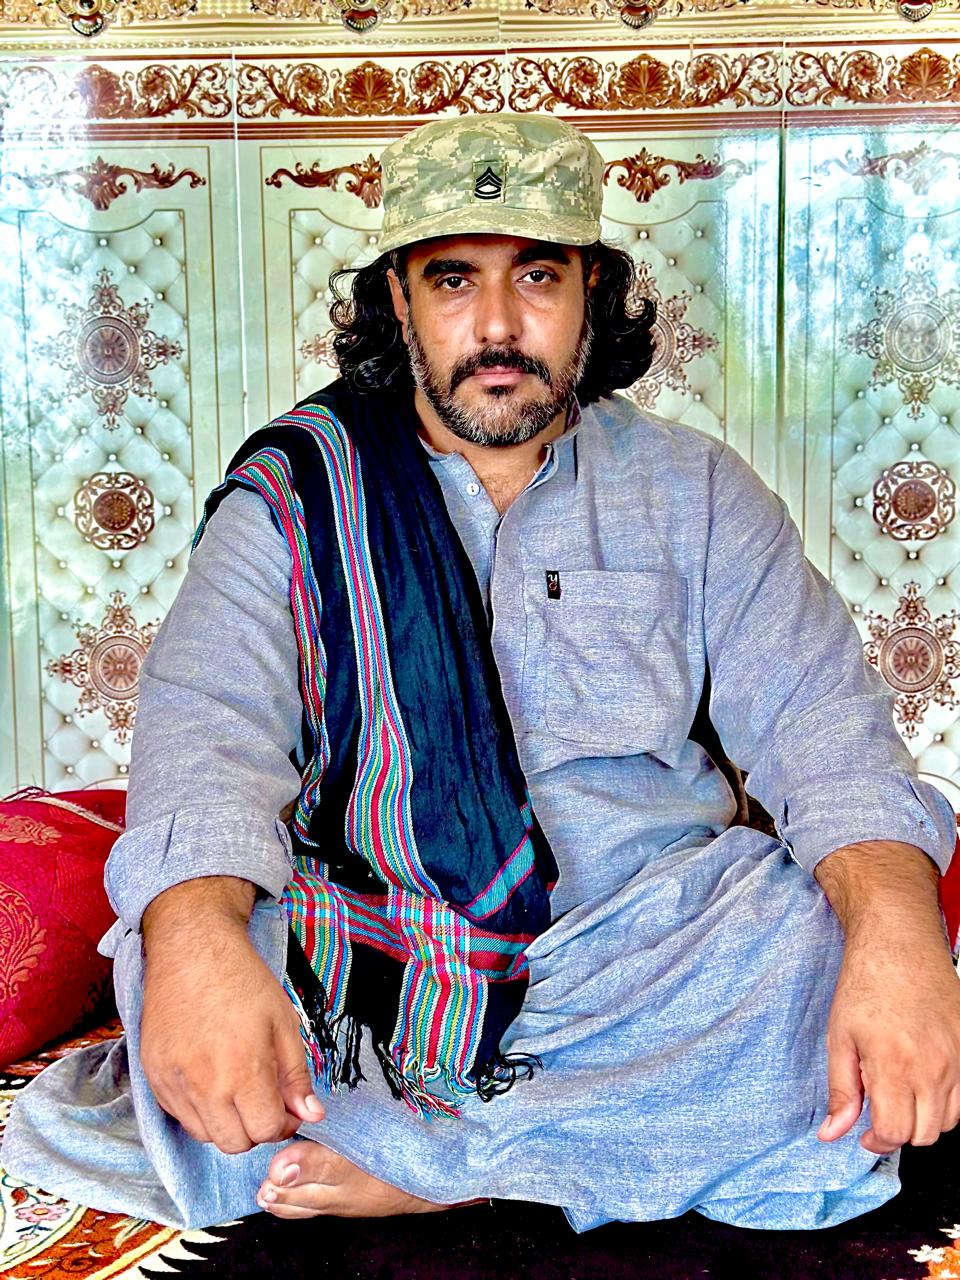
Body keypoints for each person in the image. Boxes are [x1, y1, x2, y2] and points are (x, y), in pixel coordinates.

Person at [4, 112, 960, 1236]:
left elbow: (825, 728)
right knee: (189, 949)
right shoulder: (299, 497)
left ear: (592, 293)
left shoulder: (696, 491)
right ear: (399, 298)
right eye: (453, 279)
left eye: (538, 276)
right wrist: (199, 942)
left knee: (824, 944)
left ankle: (446, 1161)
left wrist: (897, 938)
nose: (498, 324)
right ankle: (587, 1150)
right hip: (373, 948)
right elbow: (208, 728)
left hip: (650, 959)